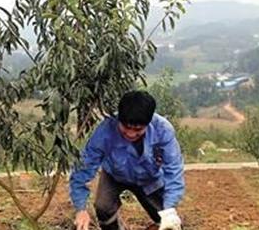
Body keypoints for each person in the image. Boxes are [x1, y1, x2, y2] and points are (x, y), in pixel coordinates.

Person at [69, 91, 184, 230]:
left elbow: (174, 170)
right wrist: (81, 208)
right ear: (119, 119)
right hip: (114, 175)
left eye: (138, 129)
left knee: (168, 219)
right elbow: (83, 169)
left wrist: (169, 208)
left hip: (149, 179)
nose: (130, 134)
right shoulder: (105, 131)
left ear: (148, 123)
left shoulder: (163, 130)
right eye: (125, 128)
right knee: (103, 207)